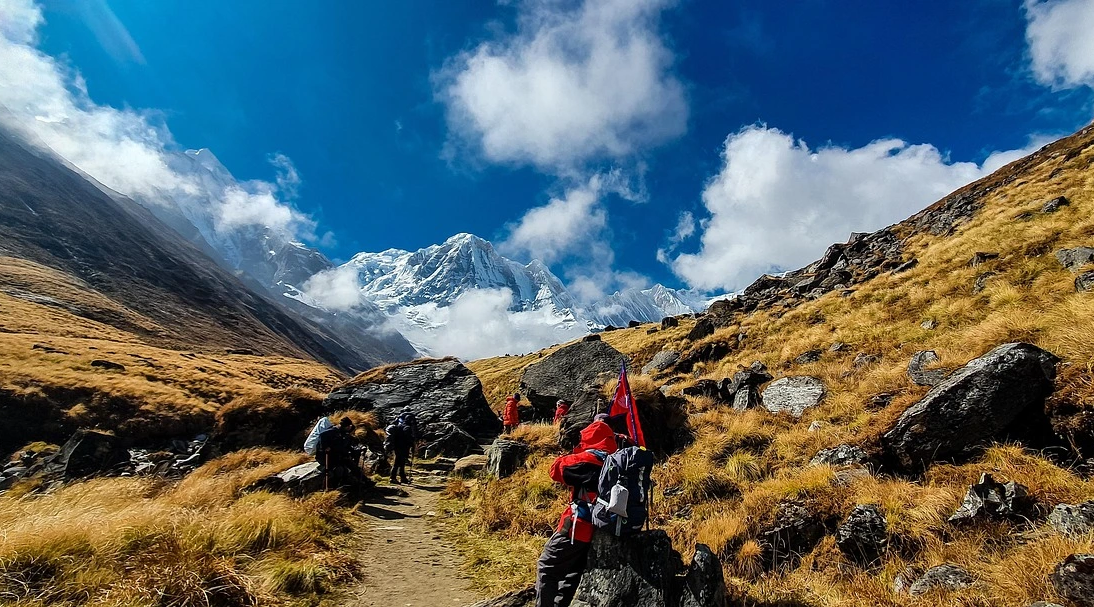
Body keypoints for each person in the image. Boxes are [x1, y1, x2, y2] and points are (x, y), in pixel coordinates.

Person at [536, 419, 619, 607]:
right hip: (604, 528)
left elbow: (555, 470)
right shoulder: (617, 461)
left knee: (547, 566)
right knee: (573, 571)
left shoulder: (588, 459)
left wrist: (577, 451)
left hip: (578, 525)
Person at [316, 417, 364, 487]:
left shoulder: (344, 433)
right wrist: (325, 447)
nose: (350, 428)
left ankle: (363, 481)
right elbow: (322, 435)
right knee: (340, 469)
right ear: (345, 426)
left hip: (338, 456)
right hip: (327, 457)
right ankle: (334, 486)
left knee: (352, 466)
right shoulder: (332, 431)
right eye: (349, 426)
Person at [384, 414, 414, 484]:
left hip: (397, 446)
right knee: (397, 462)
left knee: (401, 462)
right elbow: (407, 438)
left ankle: (403, 477)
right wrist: (412, 443)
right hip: (403, 447)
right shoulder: (407, 427)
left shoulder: (400, 425)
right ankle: (393, 478)